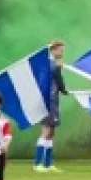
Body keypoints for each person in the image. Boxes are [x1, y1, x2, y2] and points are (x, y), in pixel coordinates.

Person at [33, 40, 68, 172]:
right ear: (53, 50)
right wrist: (64, 90)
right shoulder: (50, 65)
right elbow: (59, 82)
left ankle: (48, 163)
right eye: (60, 50)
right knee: (45, 131)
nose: (62, 52)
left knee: (51, 132)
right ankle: (37, 164)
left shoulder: (52, 65)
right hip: (47, 101)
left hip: (53, 101)